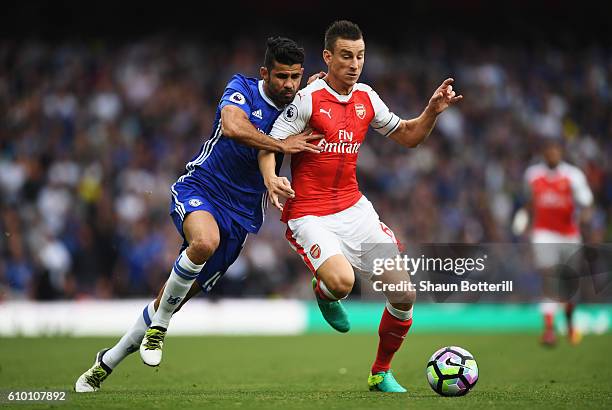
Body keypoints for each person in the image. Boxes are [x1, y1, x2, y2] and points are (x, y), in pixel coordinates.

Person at [75, 36, 322, 392]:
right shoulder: (243, 88)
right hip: (202, 188)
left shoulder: (298, 103)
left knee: (170, 301)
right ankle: (159, 328)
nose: (289, 85)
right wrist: (281, 145)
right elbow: (233, 127)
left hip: (241, 217)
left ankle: (107, 361)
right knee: (205, 241)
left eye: (295, 77)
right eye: (282, 76)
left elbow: (324, 91)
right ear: (265, 73)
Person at [258, 20, 462, 393]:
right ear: (328, 57)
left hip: (355, 209)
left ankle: (380, 372)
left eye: (360, 56)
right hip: (310, 213)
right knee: (342, 282)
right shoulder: (308, 98)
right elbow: (270, 142)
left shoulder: (367, 97)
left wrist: (432, 111)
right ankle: (324, 290)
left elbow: (409, 135)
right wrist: (271, 177)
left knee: (404, 295)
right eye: (347, 56)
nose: (354, 64)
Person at [514, 137, 593, 346]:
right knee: (550, 279)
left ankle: (569, 323)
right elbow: (530, 201)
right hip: (544, 234)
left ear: (561, 152)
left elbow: (586, 202)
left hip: (569, 234)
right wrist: (524, 217)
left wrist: (585, 215)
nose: (552, 154)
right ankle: (549, 330)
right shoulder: (533, 176)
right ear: (544, 153)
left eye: (555, 150)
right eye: (549, 150)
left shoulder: (573, 176)